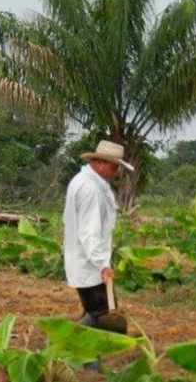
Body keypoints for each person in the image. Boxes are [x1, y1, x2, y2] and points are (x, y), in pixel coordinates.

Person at [62, 140, 134, 331]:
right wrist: (102, 264)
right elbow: (89, 231)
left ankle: (77, 342)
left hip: (85, 259)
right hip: (89, 262)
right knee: (102, 314)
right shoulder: (90, 189)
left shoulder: (82, 181)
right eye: (114, 167)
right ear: (100, 163)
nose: (116, 172)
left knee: (97, 310)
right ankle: (72, 344)